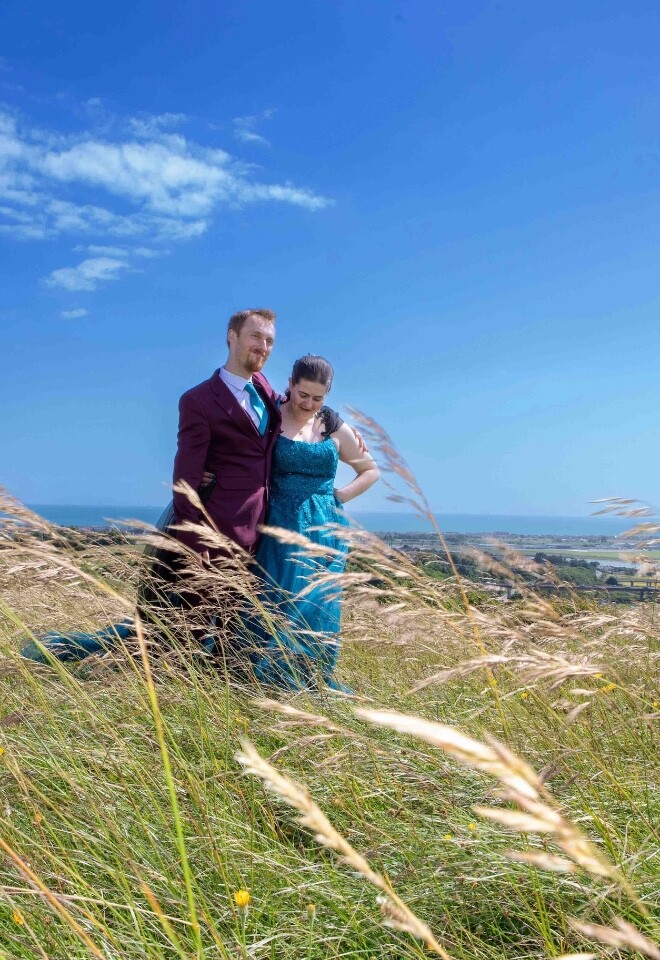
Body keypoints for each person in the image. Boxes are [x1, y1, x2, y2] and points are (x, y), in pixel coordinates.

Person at [247, 355, 379, 692]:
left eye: (317, 398)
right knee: (280, 602)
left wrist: (339, 496)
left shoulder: (333, 427)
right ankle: (271, 681)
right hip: (280, 525)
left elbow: (371, 470)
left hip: (326, 532)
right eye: (303, 394)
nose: (308, 404)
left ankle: (313, 679)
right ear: (290, 384)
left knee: (320, 607)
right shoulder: (271, 416)